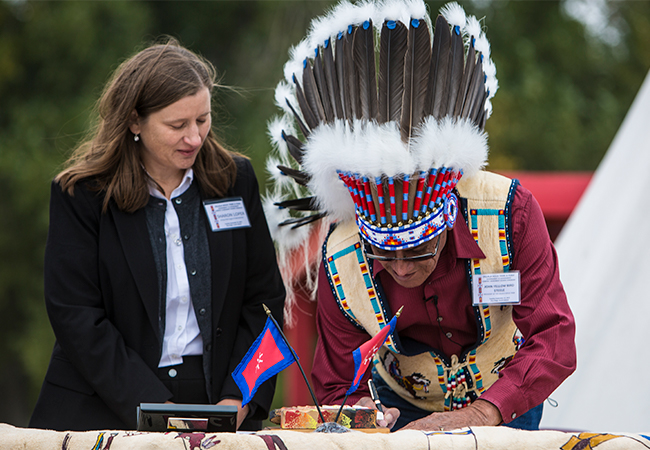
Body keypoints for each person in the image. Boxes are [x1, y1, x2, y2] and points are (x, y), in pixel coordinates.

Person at [263, 0, 576, 432]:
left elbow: (554, 337)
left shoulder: (509, 213)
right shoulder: (341, 255)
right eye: (383, 254)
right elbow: (336, 384)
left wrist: (482, 413)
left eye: (418, 250)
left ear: (447, 221)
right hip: (401, 405)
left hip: (505, 397)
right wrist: (365, 418)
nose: (401, 267)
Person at [29, 38, 285, 432]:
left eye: (202, 119)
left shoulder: (236, 181)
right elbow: (76, 316)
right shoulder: (81, 195)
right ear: (134, 121)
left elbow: (263, 300)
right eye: (177, 125)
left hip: (221, 404)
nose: (195, 138)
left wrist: (242, 396)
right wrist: (154, 408)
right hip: (104, 404)